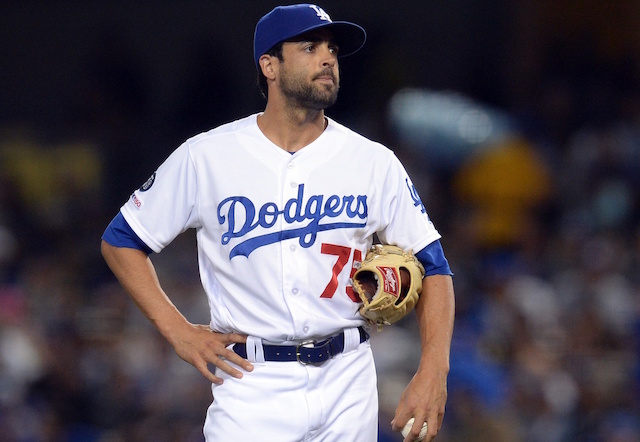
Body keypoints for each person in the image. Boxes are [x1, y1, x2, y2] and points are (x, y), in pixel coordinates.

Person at [101, 4, 455, 441]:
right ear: (269, 65)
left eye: (332, 49)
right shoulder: (207, 156)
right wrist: (177, 330)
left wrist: (434, 368)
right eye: (309, 47)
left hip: (348, 379)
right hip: (253, 383)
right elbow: (121, 239)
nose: (327, 58)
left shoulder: (373, 162)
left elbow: (434, 265)